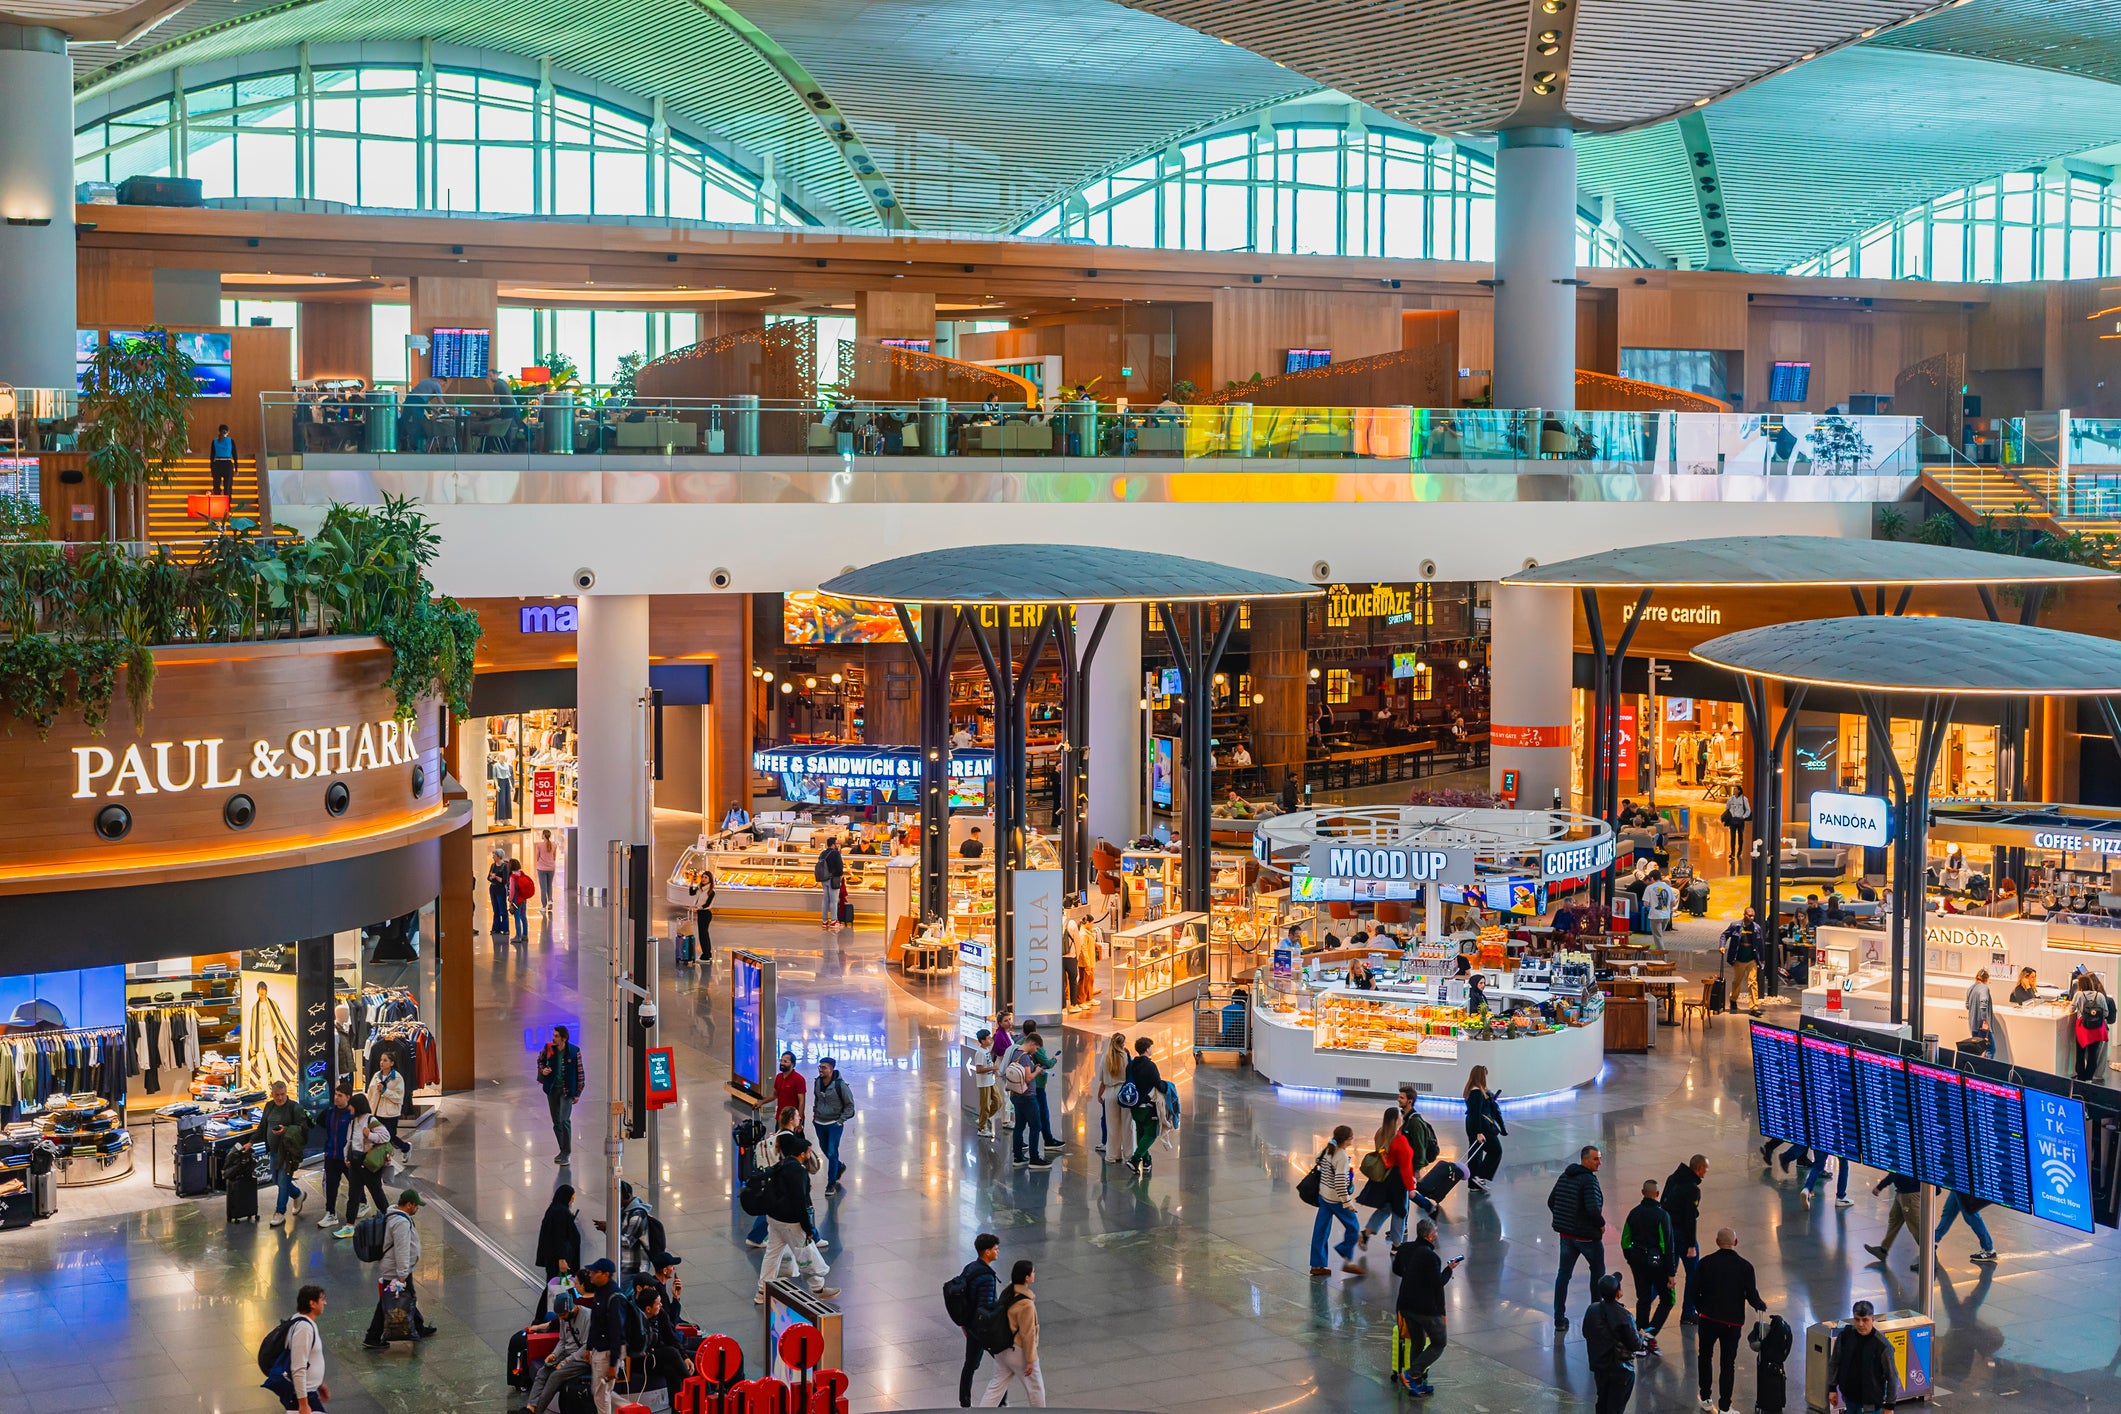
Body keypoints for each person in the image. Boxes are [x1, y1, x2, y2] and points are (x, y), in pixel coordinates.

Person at [756, 1132, 839, 1303]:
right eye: (809, 1152)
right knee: (806, 1254)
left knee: (772, 1254)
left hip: (774, 1218)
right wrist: (808, 1229)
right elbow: (800, 1201)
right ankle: (818, 1288)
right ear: (802, 1154)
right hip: (790, 1222)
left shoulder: (782, 1164)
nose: (810, 1155)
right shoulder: (799, 1172)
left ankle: (762, 1292)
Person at [1692, 1228, 1766, 1413]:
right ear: (1736, 1242)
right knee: (1727, 1363)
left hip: (1708, 1319)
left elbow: (1694, 1291)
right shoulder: (1745, 1267)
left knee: (1705, 1356)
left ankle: (1706, 1397)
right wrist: (1760, 1305)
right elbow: (1752, 1296)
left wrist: (1701, 1309)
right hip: (1732, 1323)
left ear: (1717, 1242)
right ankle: (1725, 1406)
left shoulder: (1705, 1263)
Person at [1391, 1218, 1457, 1395]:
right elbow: (1438, 1284)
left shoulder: (1405, 1248)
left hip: (1406, 1304)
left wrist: (1411, 1277)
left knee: (1418, 1342)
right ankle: (1411, 1374)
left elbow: (1396, 1269)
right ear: (1430, 1236)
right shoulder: (1430, 1257)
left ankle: (1416, 1384)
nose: (1436, 1235)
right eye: (1435, 1233)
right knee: (1439, 1342)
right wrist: (1449, 1269)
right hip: (1425, 1308)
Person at [362, 1190, 435, 1349]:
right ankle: (372, 1337)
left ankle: (419, 1326)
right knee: (387, 1301)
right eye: (416, 1205)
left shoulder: (393, 1214)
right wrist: (402, 1273)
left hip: (396, 1268)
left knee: (408, 1295)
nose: (417, 1208)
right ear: (408, 1204)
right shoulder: (401, 1223)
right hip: (396, 1270)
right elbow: (401, 1249)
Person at [1547, 1144, 1606, 1331]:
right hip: (1587, 1237)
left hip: (1566, 1236)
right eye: (1595, 1159)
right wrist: (1601, 1224)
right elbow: (1593, 1208)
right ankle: (1596, 1317)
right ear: (1585, 1159)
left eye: (1600, 1158)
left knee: (1563, 1275)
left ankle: (1559, 1319)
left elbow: (1551, 1201)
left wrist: (1566, 1220)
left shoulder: (1564, 1176)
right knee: (1598, 1273)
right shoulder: (1589, 1181)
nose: (1599, 1163)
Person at [979, 1259, 1043, 1407]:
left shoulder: (1008, 1292)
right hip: (1018, 1352)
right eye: (1033, 1272)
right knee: (1036, 1389)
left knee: (996, 1387)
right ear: (1026, 1277)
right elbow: (1028, 1334)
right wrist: (1030, 1360)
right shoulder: (1026, 1304)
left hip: (1002, 1349)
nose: (1034, 1274)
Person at [1621, 1179, 1676, 1350]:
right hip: (1657, 1265)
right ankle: (1649, 1333)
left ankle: (1640, 1340)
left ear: (1642, 1193)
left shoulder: (1633, 1213)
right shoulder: (1662, 1215)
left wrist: (1631, 1261)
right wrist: (1671, 1272)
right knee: (1668, 1299)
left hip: (1638, 1262)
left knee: (1643, 1300)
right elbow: (1667, 1246)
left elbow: (1625, 1242)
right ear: (1657, 1194)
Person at [1355, 1106, 1416, 1256]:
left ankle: (1366, 1233)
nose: (1402, 1118)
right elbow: (1406, 1168)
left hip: (1384, 1178)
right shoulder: (1400, 1141)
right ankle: (1396, 1245)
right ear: (1396, 1121)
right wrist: (1411, 1187)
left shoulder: (1380, 1134)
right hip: (1398, 1181)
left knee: (1385, 1208)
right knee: (1400, 1211)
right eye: (1400, 1117)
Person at [521, 1288, 591, 1414]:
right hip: (566, 1354)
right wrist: (554, 1354)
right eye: (558, 1315)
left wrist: (565, 1362)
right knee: (542, 1372)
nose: (560, 1318)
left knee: (555, 1376)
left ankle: (536, 1412)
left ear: (571, 1309)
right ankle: (530, 1407)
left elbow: (587, 1346)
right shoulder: (563, 1318)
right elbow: (562, 1341)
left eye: (562, 1315)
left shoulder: (587, 1317)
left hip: (581, 1359)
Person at [1657, 1155, 1705, 1325]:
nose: (1706, 1172)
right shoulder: (1692, 1189)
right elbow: (1690, 1218)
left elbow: (1663, 1203)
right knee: (1693, 1272)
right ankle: (1688, 1312)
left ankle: (1646, 1300)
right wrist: (1691, 1245)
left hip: (1669, 1232)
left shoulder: (1672, 1178)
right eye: (1705, 1168)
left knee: (1669, 1270)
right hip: (1683, 1235)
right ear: (1699, 1168)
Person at [1582, 1272, 1640, 1414]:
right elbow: (1635, 1345)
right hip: (1620, 1370)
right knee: (1615, 1407)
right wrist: (1641, 1336)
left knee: (1602, 1403)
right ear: (1618, 1293)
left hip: (1600, 1367)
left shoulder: (1592, 1309)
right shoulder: (1624, 1315)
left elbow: (1585, 1332)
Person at [955, 1234, 1003, 1407]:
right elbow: (986, 1306)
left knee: (970, 1365)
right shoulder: (987, 1277)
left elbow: (962, 1298)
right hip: (983, 1329)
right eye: (996, 1249)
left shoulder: (970, 1268)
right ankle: (1001, 1401)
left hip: (971, 1325)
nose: (998, 1252)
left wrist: (964, 1323)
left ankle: (965, 1402)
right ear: (987, 1252)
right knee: (1004, 1363)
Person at [1308, 1125, 1361, 1275]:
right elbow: (1339, 1183)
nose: (1352, 1140)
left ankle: (1317, 1264)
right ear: (1345, 1140)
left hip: (1323, 1196)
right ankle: (1345, 1253)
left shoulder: (1328, 1149)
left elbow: (1317, 1159)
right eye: (1351, 1138)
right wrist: (1347, 1203)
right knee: (1354, 1227)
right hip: (1336, 1200)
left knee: (1321, 1230)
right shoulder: (1341, 1156)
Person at [267, 1284, 329, 1414]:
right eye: (322, 1299)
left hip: (306, 1392)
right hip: (302, 1395)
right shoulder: (304, 1329)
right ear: (312, 1303)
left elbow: (309, 1359)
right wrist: (303, 1404)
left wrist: (319, 1383)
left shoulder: (299, 1319)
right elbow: (298, 1366)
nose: (325, 1303)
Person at [1827, 1300, 1894, 1414]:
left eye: (1865, 1320)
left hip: (1871, 1403)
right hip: (1850, 1398)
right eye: (1857, 1319)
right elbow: (1835, 1362)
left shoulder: (1882, 1345)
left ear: (1872, 1319)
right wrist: (1832, 1388)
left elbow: (1892, 1376)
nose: (1860, 1324)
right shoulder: (1846, 1336)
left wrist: (1889, 1406)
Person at [339, 1095, 390, 1237]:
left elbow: (386, 1136)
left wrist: (370, 1135)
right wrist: (346, 1157)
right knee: (353, 1195)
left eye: (351, 1105)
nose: (349, 1108)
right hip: (355, 1163)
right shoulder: (353, 1122)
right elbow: (349, 1141)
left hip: (368, 1163)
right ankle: (349, 1225)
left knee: (376, 1192)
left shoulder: (370, 1120)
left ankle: (390, 1219)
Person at [261, 1080, 310, 1227]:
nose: (280, 1098)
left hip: (288, 1152)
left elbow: (303, 1129)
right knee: (276, 1180)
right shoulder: (269, 1106)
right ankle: (298, 1194)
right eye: (277, 1095)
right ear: (272, 1094)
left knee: (283, 1182)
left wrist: (286, 1130)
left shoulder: (294, 1108)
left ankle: (280, 1212)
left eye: (282, 1094)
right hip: (274, 1152)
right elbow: (262, 1126)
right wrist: (251, 1141)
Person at [533, 1184, 582, 1322]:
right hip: (559, 1260)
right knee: (555, 1286)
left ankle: (549, 1315)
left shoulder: (556, 1209)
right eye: (571, 1198)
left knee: (556, 1285)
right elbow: (559, 1237)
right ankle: (540, 1317)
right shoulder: (560, 1212)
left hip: (555, 1258)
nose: (572, 1201)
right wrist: (562, 1258)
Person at [1001, 1034, 1050, 1170]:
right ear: (1032, 1043)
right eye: (1037, 1048)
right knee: (1036, 1126)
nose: (1036, 1051)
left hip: (1016, 1095)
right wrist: (1037, 1071)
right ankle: (1034, 1158)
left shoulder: (1015, 1052)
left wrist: (1034, 1068)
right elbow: (1028, 1078)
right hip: (1027, 1097)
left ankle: (1018, 1157)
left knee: (1019, 1126)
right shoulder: (1025, 1057)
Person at [537, 1025, 585, 1166]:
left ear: (564, 1038)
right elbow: (540, 1061)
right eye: (554, 1035)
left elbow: (580, 1073)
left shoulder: (574, 1051)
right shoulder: (548, 1048)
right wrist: (543, 1070)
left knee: (564, 1120)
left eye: (557, 1036)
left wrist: (578, 1093)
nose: (554, 1038)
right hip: (552, 1089)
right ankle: (562, 1150)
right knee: (556, 1122)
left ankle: (566, 1153)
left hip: (566, 1091)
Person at [313, 1085, 355, 1232]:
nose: (336, 1098)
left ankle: (362, 1203)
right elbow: (323, 1125)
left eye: (340, 1095)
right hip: (331, 1155)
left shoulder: (352, 1114)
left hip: (346, 1157)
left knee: (355, 1184)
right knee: (331, 1186)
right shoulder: (330, 1111)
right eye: (336, 1094)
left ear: (348, 1097)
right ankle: (330, 1213)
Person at [812, 1055, 856, 1194]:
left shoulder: (840, 1085)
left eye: (824, 1067)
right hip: (819, 1122)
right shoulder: (817, 1082)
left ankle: (831, 1184)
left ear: (831, 1069)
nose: (820, 1070)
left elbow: (850, 1106)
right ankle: (839, 1166)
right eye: (820, 1067)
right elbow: (817, 1099)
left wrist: (840, 1121)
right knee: (824, 1148)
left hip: (834, 1124)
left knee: (832, 1152)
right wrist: (815, 1115)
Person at [1021, 1023, 1065, 1151]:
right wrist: (1054, 1059)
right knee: (1042, 1113)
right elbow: (1047, 1063)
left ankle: (1019, 1143)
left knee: (1021, 1117)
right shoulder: (1035, 1047)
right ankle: (1047, 1140)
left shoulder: (1018, 1043)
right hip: (1037, 1084)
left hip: (1021, 1086)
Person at [1463, 1065, 1505, 1192]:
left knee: (1476, 1152)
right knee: (1496, 1150)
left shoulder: (1472, 1090)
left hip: (1474, 1124)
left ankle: (1474, 1183)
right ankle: (1479, 1177)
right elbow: (1476, 1112)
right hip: (1481, 1126)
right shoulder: (1476, 1092)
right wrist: (1479, 1132)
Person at [1864, 1171, 1922, 1264]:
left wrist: (1880, 1187)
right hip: (1902, 1191)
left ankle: (1930, 1255)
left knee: (1915, 1226)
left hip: (1909, 1194)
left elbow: (1895, 1172)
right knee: (1894, 1220)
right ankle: (1883, 1250)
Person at [1124, 1036, 1163, 1173]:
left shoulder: (1131, 1065)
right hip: (1147, 1106)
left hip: (1134, 1105)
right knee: (1151, 1134)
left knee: (1140, 1132)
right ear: (1147, 1049)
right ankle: (1135, 1160)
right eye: (1151, 1047)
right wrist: (1167, 1086)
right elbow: (1158, 1084)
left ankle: (1147, 1161)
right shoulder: (1150, 1066)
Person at [1934, 1189, 1998, 1265]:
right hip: (1958, 1185)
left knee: (1970, 1215)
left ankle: (1988, 1249)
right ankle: (1934, 1239)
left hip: (1963, 1185)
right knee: (1949, 1211)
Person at [366, 1050, 410, 1160]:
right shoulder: (376, 1076)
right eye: (381, 1060)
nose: (381, 1062)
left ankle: (406, 1147)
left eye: (385, 1060)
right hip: (376, 1111)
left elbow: (399, 1097)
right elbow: (370, 1093)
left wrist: (385, 1091)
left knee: (390, 1137)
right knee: (377, 1137)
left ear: (392, 1063)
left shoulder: (397, 1078)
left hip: (390, 1113)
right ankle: (382, 1159)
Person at [1722, 908, 1764, 1014]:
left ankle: (1754, 1007)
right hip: (1739, 959)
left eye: (1753, 916)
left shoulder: (1756, 928)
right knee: (1737, 981)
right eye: (1749, 915)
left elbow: (1761, 944)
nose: (1751, 918)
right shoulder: (1735, 926)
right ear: (1744, 914)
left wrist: (1762, 958)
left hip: (1752, 959)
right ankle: (1733, 999)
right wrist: (1722, 946)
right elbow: (1724, 935)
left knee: (1753, 982)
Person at [1097, 1032, 1129, 1160]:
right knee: (1128, 1125)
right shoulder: (1126, 1057)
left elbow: (1102, 1080)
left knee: (1112, 1126)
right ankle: (1129, 1154)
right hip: (1124, 1093)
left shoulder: (1105, 1058)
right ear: (1123, 1044)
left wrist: (1100, 1094)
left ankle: (1112, 1155)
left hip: (1109, 1092)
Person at [972, 1029, 1002, 1142]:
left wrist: (993, 1069)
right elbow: (979, 1069)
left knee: (998, 1102)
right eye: (988, 1038)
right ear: (983, 1041)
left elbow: (989, 1062)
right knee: (985, 1106)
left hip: (990, 1081)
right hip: (984, 1083)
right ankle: (981, 1128)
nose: (991, 1040)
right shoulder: (980, 1053)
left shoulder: (986, 1050)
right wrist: (992, 1068)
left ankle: (983, 1119)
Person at [687, 862, 716, 966]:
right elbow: (691, 893)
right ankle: (707, 954)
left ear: (710, 880)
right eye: (703, 877)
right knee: (703, 934)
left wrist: (697, 908)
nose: (703, 879)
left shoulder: (711, 892)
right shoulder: (700, 888)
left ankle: (706, 956)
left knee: (703, 935)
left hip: (706, 914)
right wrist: (692, 882)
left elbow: (707, 904)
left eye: (706, 878)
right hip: (700, 913)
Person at [816, 836, 845, 930]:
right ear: (833, 844)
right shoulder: (836, 853)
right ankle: (833, 921)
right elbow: (839, 867)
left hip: (824, 879)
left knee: (825, 899)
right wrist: (840, 875)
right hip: (833, 879)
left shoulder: (823, 853)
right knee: (833, 900)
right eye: (836, 843)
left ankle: (824, 921)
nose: (837, 845)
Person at [773, 1050, 808, 1128]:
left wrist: (799, 1120)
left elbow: (801, 1101)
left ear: (792, 1064)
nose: (782, 1063)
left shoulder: (799, 1079)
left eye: (785, 1061)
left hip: (793, 1119)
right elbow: (774, 1095)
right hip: (780, 1117)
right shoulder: (778, 1077)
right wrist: (762, 1102)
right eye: (781, 1060)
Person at [1965, 968, 1995, 1058]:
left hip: (1973, 1024)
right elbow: (1983, 1003)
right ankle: (1986, 1066)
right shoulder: (1984, 988)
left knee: (1978, 1050)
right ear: (1986, 979)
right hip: (1982, 1025)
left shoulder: (1971, 988)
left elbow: (1967, 1005)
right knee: (1990, 1049)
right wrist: (1985, 1020)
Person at [1642, 872, 1676, 946]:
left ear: (1652, 878)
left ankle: (1661, 953)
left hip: (1655, 916)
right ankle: (1659, 951)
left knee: (1658, 937)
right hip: (1666, 916)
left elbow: (1645, 904)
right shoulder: (1668, 887)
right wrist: (1668, 909)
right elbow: (1673, 903)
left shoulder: (1649, 888)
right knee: (1660, 935)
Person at [488, 845, 512, 934]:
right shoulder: (493, 865)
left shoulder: (505, 866)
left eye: (494, 855)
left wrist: (495, 877)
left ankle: (505, 929)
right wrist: (491, 878)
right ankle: (496, 928)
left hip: (500, 889)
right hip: (493, 888)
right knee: (495, 909)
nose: (493, 857)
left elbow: (504, 880)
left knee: (502, 909)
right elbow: (488, 877)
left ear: (498, 856)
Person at [1722, 788, 1751, 864]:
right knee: (1732, 837)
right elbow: (1727, 808)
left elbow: (1748, 810)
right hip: (1732, 820)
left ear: (1739, 791)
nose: (1734, 790)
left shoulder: (1744, 799)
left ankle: (1739, 851)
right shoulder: (1731, 799)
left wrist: (1743, 816)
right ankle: (1732, 853)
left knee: (1740, 836)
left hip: (1740, 820)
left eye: (1735, 789)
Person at [209, 424, 238, 499]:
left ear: (219, 431)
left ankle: (217, 503)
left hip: (217, 465)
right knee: (227, 487)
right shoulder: (230, 441)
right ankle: (227, 504)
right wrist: (236, 468)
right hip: (227, 464)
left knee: (216, 486)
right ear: (228, 432)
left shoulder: (214, 441)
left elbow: (212, 457)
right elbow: (235, 455)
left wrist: (211, 469)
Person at [533, 828, 558, 909]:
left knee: (543, 887)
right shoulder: (554, 845)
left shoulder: (539, 845)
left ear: (543, 835)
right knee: (549, 885)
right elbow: (554, 857)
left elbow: (537, 857)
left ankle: (544, 906)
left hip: (541, 868)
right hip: (551, 868)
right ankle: (550, 900)